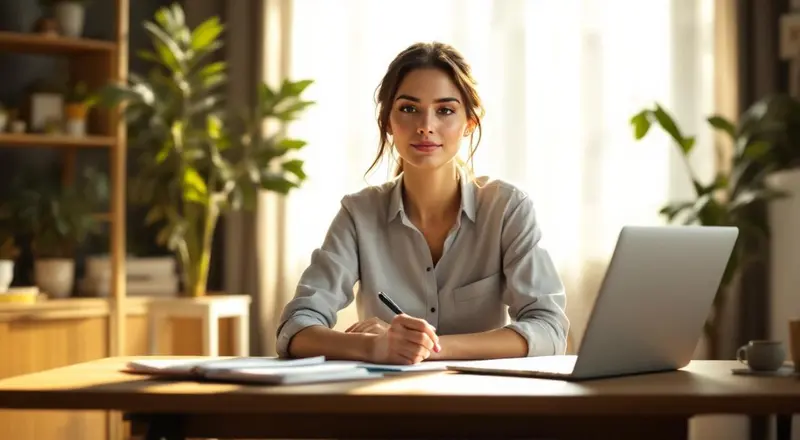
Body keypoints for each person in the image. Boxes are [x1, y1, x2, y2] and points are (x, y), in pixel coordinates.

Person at [276, 41, 569, 365]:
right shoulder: (358, 214)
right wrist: (376, 348)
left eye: (445, 110)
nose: (425, 126)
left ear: (469, 123)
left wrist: (429, 348)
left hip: (483, 404)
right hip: (386, 403)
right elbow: (296, 327)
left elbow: (549, 328)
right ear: (388, 120)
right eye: (409, 108)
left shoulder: (507, 209)